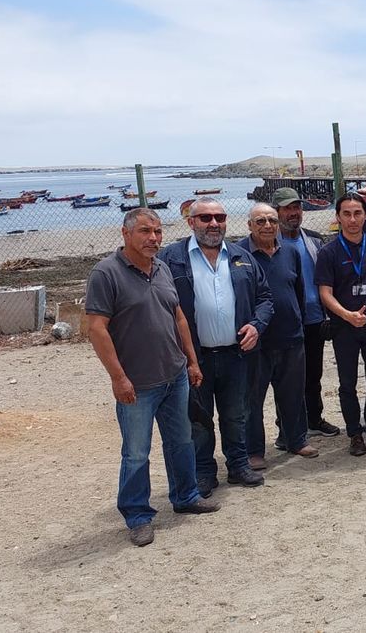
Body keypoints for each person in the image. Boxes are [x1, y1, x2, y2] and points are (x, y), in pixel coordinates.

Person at [86, 209, 220, 547]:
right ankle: (138, 516)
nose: (154, 238)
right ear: (125, 234)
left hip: (174, 375)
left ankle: (186, 496)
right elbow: (97, 329)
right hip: (137, 383)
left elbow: (178, 318)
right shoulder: (106, 274)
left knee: (182, 440)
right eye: (145, 231)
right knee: (136, 452)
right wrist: (118, 378)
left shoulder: (161, 268)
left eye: (158, 231)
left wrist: (191, 361)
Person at [157, 198, 271, 494]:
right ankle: (205, 471)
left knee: (237, 414)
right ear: (191, 222)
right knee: (198, 418)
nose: (213, 223)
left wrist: (257, 326)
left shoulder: (241, 256)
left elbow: (265, 299)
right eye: (205, 217)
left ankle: (238, 465)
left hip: (237, 354)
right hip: (195, 357)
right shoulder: (171, 259)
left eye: (219, 217)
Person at [316, 192, 366, 456]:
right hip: (345, 327)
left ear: (365, 215)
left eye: (358, 213)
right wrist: (346, 314)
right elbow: (325, 292)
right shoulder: (329, 251)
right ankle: (354, 433)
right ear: (338, 217)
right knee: (347, 382)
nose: (353, 219)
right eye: (346, 214)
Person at [241, 204, 320, 467]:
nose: (267, 226)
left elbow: (297, 290)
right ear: (249, 225)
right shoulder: (239, 253)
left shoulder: (290, 251)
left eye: (272, 220)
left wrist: (296, 321)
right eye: (260, 221)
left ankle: (296, 440)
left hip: (291, 337)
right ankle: (254, 451)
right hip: (256, 342)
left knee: (293, 394)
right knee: (253, 400)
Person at [275, 187, 342, 440]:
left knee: (313, 375)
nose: (294, 213)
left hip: (315, 318)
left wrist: (327, 315)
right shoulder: (270, 243)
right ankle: (286, 428)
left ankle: (314, 419)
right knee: (286, 379)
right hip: (286, 322)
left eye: (297, 208)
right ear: (277, 211)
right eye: (288, 208)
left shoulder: (313, 240)